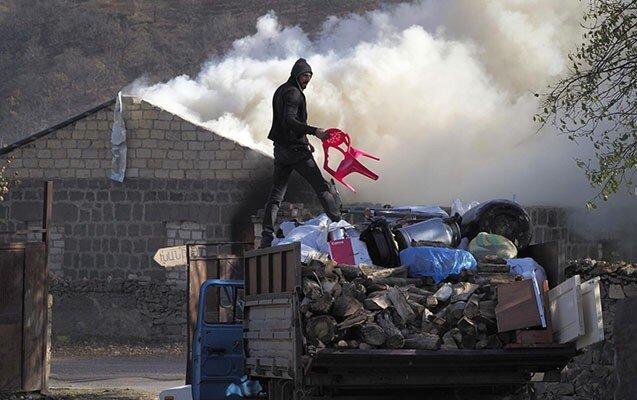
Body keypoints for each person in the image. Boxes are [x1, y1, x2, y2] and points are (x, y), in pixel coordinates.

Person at [259, 58, 341, 248]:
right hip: (296, 153)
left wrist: (305, 141)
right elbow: (289, 120)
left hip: (281, 150)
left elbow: (285, 125)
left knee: (276, 195)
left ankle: (266, 237)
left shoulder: (280, 90)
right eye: (305, 75)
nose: (307, 80)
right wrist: (315, 132)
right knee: (321, 187)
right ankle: (338, 224)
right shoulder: (294, 94)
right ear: (297, 74)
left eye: (309, 77)